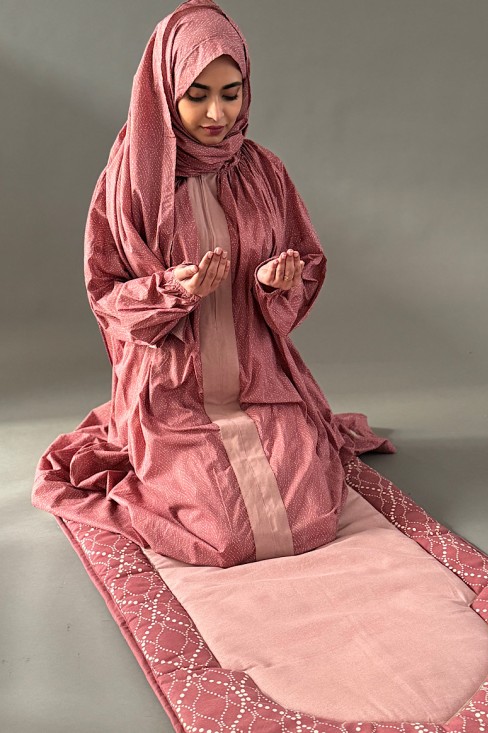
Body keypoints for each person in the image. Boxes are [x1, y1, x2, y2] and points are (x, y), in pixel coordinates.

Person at [31, 0, 395, 568]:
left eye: (231, 93)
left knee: (308, 518)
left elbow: (307, 260)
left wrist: (275, 281)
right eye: (197, 95)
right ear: (165, 89)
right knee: (225, 534)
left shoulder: (264, 170)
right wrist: (172, 291)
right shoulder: (128, 182)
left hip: (261, 381)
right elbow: (105, 296)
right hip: (171, 392)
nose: (217, 113)